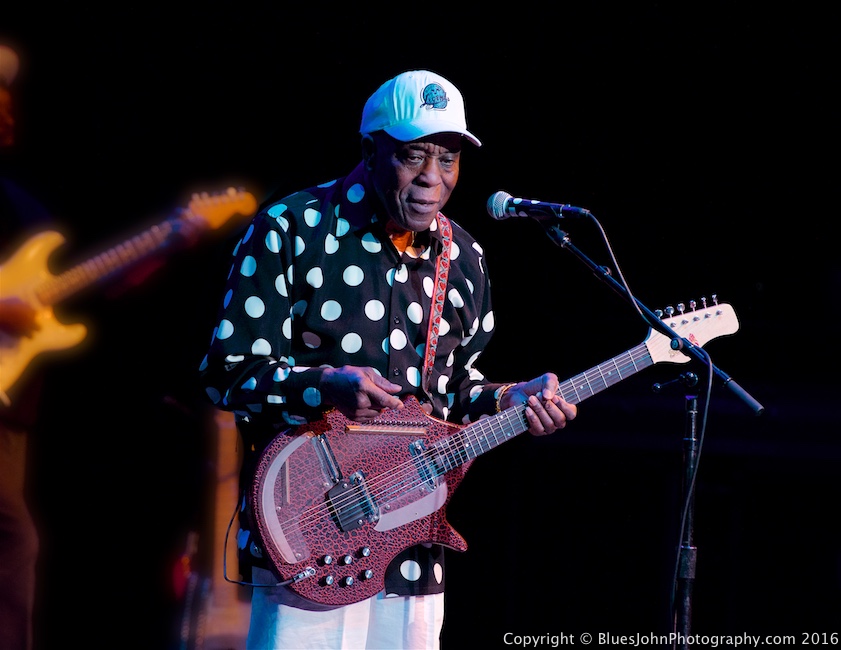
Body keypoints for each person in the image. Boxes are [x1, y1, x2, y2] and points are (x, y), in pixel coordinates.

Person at [198, 69, 579, 649]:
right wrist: (324, 384)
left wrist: (509, 398)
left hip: (411, 544)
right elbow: (226, 373)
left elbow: (451, 390)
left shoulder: (465, 256)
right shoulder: (291, 231)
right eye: (413, 157)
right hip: (310, 535)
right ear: (369, 151)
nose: (433, 179)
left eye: (448, 160)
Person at [0, 41, 54, 650]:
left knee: (13, 543)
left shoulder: (18, 206)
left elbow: (76, 290)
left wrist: (166, 243)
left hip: (9, 407)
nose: (8, 111)